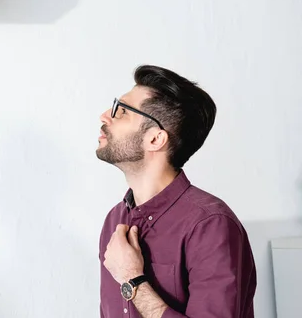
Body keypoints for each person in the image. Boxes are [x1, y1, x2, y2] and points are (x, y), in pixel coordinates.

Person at [96, 65, 256, 318]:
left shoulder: (210, 225)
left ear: (155, 139)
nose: (106, 116)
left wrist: (132, 279)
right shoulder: (114, 220)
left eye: (122, 111)